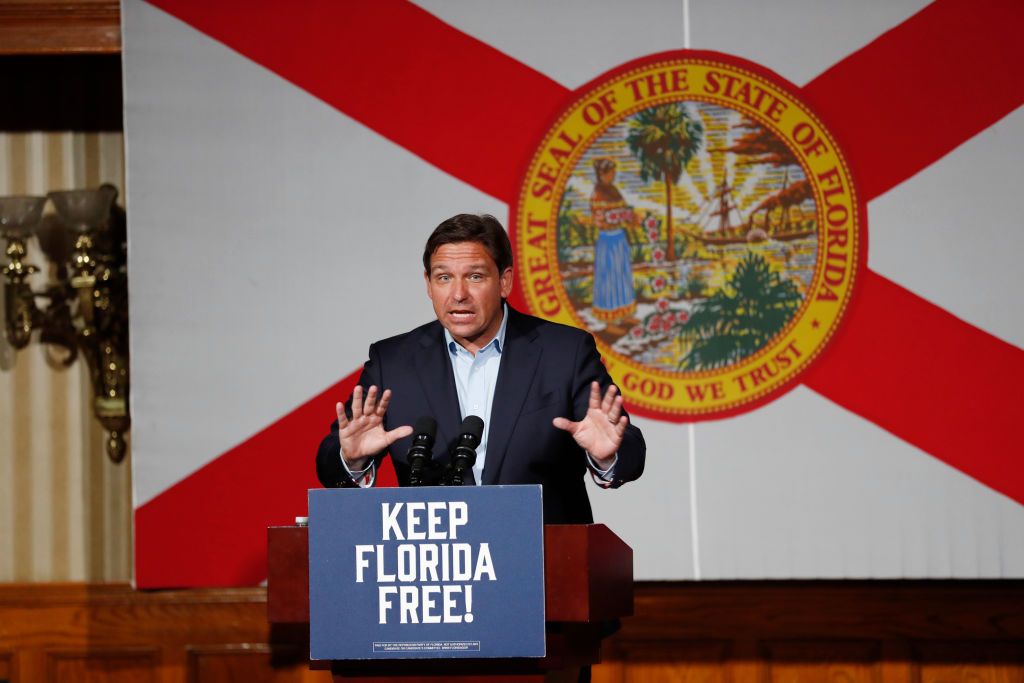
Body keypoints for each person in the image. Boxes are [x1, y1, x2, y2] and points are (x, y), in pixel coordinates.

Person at [316, 213, 645, 524]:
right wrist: (352, 459)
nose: (459, 294)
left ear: (504, 282)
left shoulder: (564, 352)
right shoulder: (394, 362)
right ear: (429, 285)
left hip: (547, 560)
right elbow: (332, 461)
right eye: (444, 277)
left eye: (475, 276)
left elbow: (628, 449)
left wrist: (607, 456)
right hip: (442, 565)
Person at [589, 158, 636, 322]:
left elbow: (624, 210)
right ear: (601, 174)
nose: (613, 176)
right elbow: (599, 219)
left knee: (622, 275)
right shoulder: (597, 194)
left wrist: (629, 217)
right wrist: (615, 218)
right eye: (610, 173)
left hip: (619, 238)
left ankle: (624, 314)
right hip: (608, 241)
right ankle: (609, 321)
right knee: (609, 278)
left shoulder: (614, 190)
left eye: (613, 173)